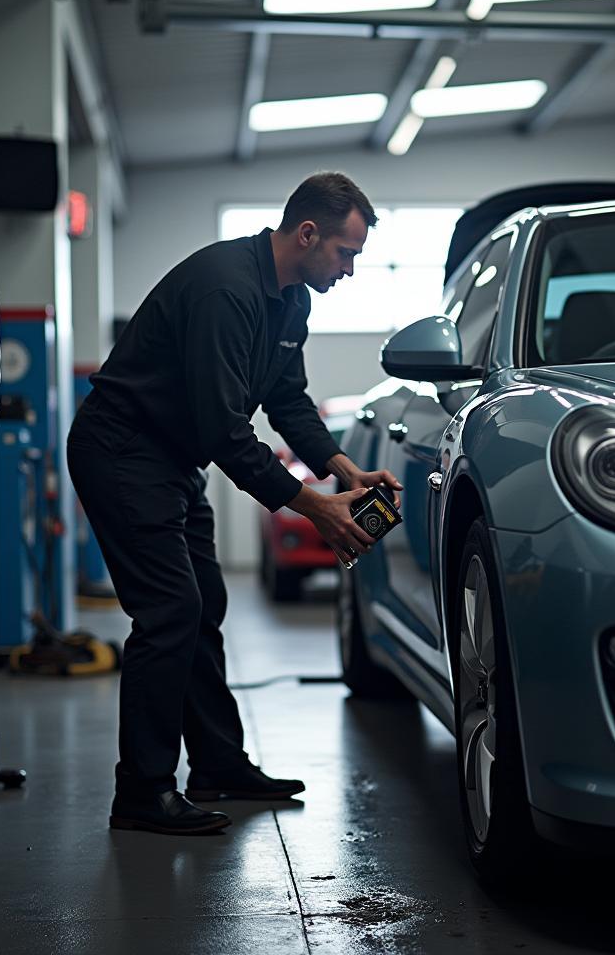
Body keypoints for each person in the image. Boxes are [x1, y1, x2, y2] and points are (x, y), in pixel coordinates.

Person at [67, 172, 402, 836]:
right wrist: (312, 506)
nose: (350, 270)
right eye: (345, 254)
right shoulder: (227, 289)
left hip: (169, 459)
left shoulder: (291, 302)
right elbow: (225, 429)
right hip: (123, 450)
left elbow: (289, 403)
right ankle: (142, 790)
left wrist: (343, 471)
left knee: (204, 605)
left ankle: (218, 764)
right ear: (307, 234)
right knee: (170, 610)